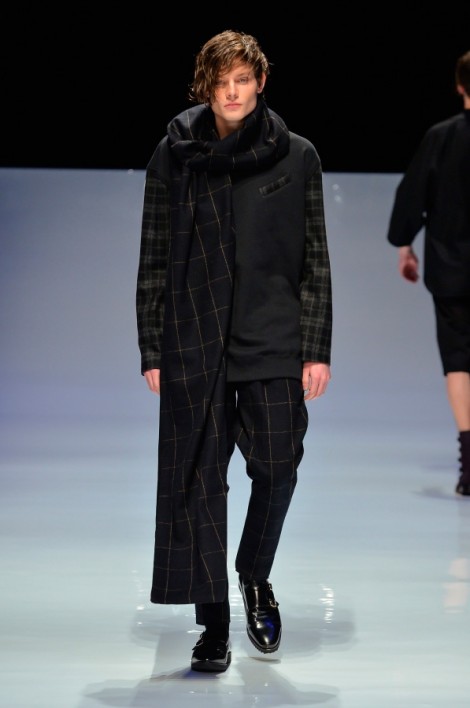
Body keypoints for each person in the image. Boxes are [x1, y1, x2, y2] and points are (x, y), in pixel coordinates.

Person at [136, 29, 333, 673]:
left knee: (278, 465)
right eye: (221, 82)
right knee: (200, 484)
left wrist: (315, 347)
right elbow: (155, 255)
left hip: (271, 337)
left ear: (260, 82)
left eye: (242, 80)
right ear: (206, 86)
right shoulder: (175, 155)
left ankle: (253, 573)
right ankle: (215, 622)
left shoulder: (296, 155)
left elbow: (315, 259)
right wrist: (152, 347)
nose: (231, 92)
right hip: (195, 339)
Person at [386, 49, 470, 497]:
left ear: (459, 86)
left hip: (451, 269)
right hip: (450, 269)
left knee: (458, 362)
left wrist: (405, 246)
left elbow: (412, 194)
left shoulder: (442, 137)